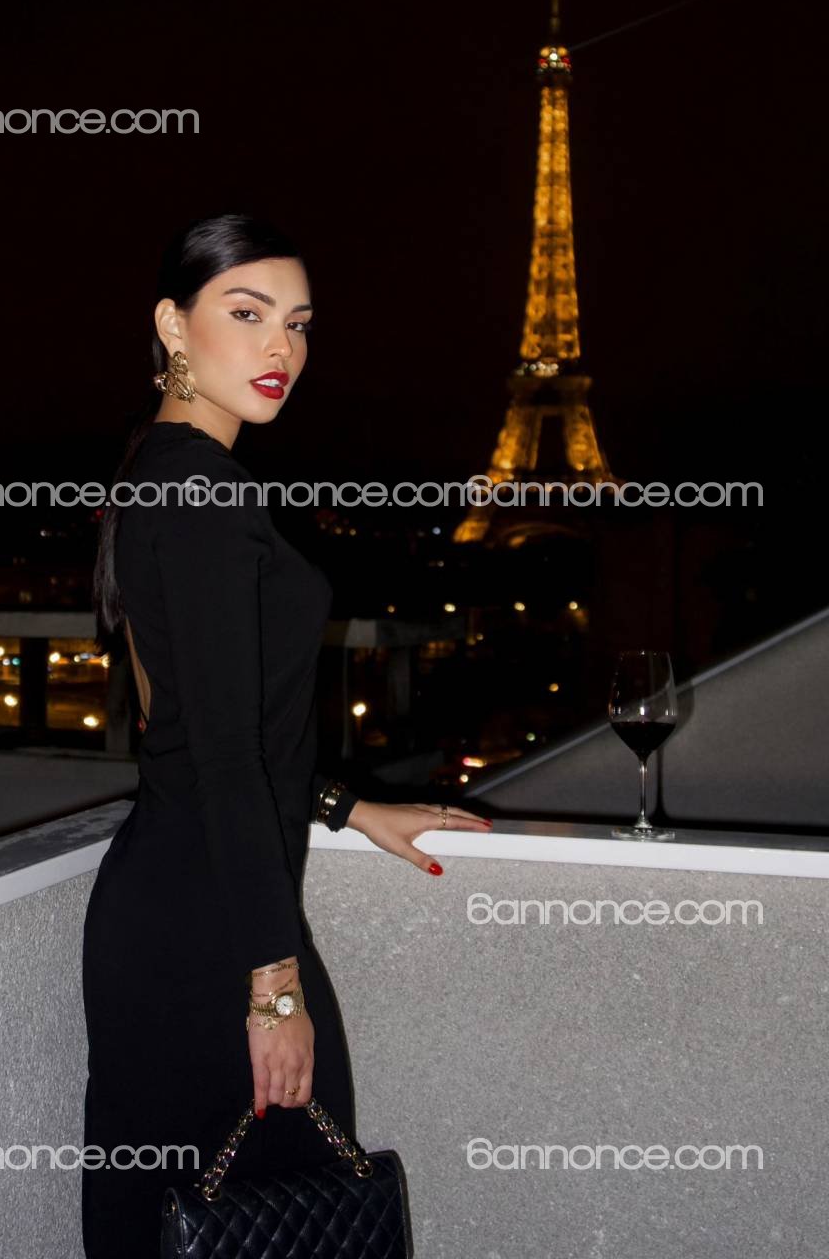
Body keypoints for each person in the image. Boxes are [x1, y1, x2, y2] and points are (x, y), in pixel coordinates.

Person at [82, 213, 492, 1257]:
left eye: (299, 324)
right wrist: (272, 989)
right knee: (285, 1215)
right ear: (172, 324)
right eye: (247, 313)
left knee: (197, 1220)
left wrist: (349, 806)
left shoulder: (159, 470)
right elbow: (222, 752)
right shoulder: (205, 493)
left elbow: (206, 730)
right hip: (215, 934)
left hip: (180, 907)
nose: (282, 348)